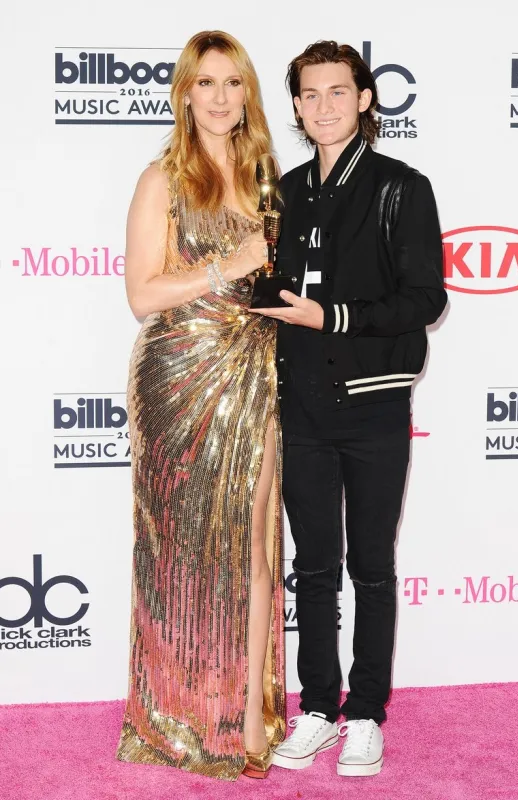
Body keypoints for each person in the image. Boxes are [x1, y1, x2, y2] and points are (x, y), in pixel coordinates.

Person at [254, 40, 447, 777]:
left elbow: (425, 300)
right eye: (309, 94)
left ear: (365, 99)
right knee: (312, 569)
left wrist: (328, 316)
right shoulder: (288, 188)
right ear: (296, 105)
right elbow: (276, 288)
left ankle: (364, 713)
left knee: (370, 565)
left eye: (338, 92)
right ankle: (316, 709)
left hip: (371, 409)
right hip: (301, 407)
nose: (324, 106)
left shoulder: (402, 185)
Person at [116, 30, 285, 781]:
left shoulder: (270, 176)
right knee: (177, 555)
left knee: (252, 545)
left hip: (257, 374)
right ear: (184, 93)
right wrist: (227, 264)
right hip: (178, 378)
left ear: (248, 94)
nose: (220, 97)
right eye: (205, 83)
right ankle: (175, 717)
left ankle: (248, 717)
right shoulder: (163, 179)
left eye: (233, 83)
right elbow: (141, 294)